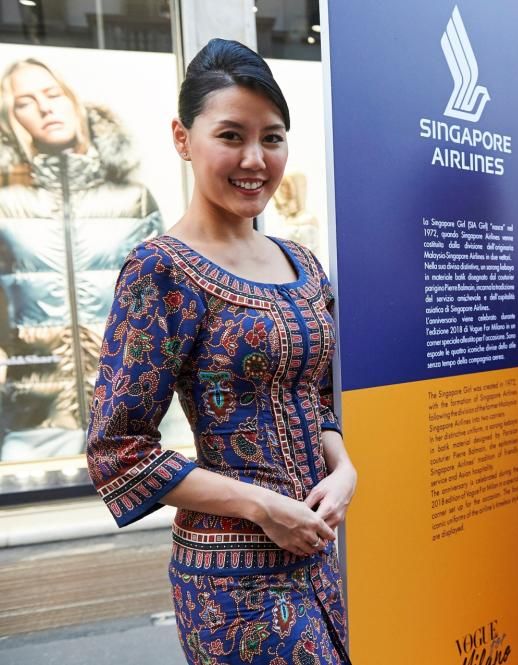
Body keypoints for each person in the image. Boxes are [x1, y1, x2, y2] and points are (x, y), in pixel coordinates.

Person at [86, 39, 355, 664]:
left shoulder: (303, 265)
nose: (255, 160)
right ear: (183, 139)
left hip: (316, 559)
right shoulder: (160, 269)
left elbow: (314, 396)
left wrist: (343, 469)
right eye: (231, 136)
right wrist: (263, 506)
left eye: (272, 138)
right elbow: (117, 449)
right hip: (231, 585)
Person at [0, 58, 163, 460]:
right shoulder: (5, 204)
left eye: (53, 94)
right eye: (25, 102)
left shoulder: (132, 198)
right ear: (10, 119)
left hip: (130, 411)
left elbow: (163, 303)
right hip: (36, 413)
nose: (45, 107)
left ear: (73, 101)